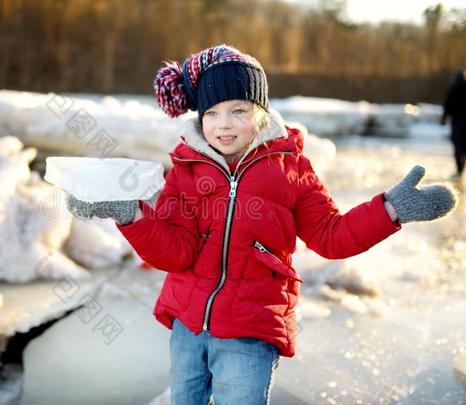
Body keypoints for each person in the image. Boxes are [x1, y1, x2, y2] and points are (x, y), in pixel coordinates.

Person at [66, 44, 458, 405]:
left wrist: (390, 210)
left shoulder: (291, 169)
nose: (224, 124)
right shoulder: (186, 170)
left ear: (261, 112)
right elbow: (175, 252)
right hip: (188, 324)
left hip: (251, 329)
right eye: (212, 113)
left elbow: (331, 236)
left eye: (238, 110)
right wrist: (130, 215)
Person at [441, 69, 466, 185]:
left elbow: (447, 104)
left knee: (457, 144)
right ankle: (462, 166)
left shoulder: (454, 88)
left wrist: (443, 118)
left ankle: (460, 168)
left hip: (457, 122)